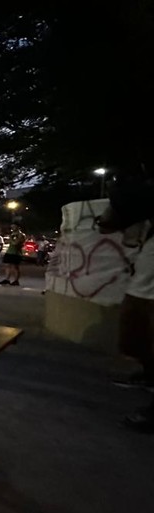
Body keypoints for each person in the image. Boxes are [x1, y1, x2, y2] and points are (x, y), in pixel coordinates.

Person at [99, 173, 154, 432]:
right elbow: (109, 223)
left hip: (148, 291)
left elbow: (110, 221)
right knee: (136, 339)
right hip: (143, 286)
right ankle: (148, 374)